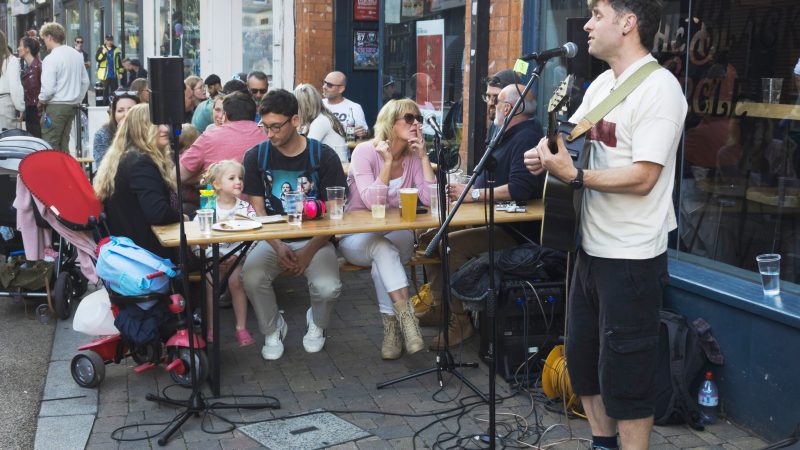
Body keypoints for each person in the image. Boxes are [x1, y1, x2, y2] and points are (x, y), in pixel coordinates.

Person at [523, 1, 687, 448]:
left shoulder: (660, 89)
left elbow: (644, 176)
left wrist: (574, 176)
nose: (588, 25)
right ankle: (602, 444)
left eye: (597, 14)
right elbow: (570, 142)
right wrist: (544, 154)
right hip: (588, 249)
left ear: (628, 23)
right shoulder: (600, 86)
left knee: (628, 371)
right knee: (583, 360)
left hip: (631, 257)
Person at [421, 83, 545, 349]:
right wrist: (469, 188)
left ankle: (461, 321)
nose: (492, 105)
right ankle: (440, 305)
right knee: (429, 238)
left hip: (516, 231)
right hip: (495, 218)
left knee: (447, 244)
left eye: (496, 101)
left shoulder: (526, 137)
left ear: (510, 108)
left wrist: (472, 196)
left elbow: (519, 188)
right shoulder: (508, 133)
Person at [241, 89, 346, 361]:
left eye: (276, 127)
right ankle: (273, 327)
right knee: (250, 277)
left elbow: (335, 214)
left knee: (328, 287)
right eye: (265, 127)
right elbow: (258, 210)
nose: (270, 134)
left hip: (317, 239)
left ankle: (317, 323)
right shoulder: (256, 156)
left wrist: (309, 251)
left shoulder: (323, 156)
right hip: (272, 239)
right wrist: (276, 245)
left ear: (296, 120)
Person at [338, 98, 434, 359]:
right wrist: (388, 163)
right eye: (409, 119)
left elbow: (429, 200)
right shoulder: (365, 152)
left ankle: (392, 330)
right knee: (383, 249)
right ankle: (407, 323)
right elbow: (372, 201)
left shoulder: (414, 157)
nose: (416, 124)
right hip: (357, 235)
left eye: (418, 119)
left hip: (397, 232)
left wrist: (424, 157)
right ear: (391, 123)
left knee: (386, 254)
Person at [93, 104, 181, 260]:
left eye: (165, 123)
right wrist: (182, 216)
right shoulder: (141, 163)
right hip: (146, 258)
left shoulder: (125, 157)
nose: (165, 129)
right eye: (157, 124)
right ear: (141, 128)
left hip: (128, 252)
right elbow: (158, 213)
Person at [195, 160, 256, 347]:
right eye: (232, 178)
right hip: (213, 260)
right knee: (209, 283)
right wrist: (206, 256)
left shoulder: (245, 209)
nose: (238, 181)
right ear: (217, 184)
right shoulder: (208, 208)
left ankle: (241, 327)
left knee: (236, 282)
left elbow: (256, 236)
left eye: (240, 178)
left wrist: (242, 256)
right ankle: (211, 327)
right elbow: (197, 238)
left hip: (238, 259)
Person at [180, 91, 266, 184]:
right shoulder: (268, 134)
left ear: (224, 115)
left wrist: (208, 174)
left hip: (221, 197)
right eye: (216, 110)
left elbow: (178, 176)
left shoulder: (209, 137)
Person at [38, 23, 90, 151]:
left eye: (44, 38)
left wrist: (41, 100)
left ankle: (53, 171)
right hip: (71, 105)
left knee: (50, 144)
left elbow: (48, 89)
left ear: (49, 37)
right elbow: (85, 81)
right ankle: (64, 170)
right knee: (64, 143)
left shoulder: (51, 58)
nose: (44, 42)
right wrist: (78, 99)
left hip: (56, 106)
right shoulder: (77, 55)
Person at [294, 83, 346, 149]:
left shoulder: (321, 121)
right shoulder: (321, 117)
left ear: (304, 106)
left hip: (336, 159)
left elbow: (306, 149)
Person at [93, 92, 139, 165]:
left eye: (131, 110)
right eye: (120, 111)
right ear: (114, 114)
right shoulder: (102, 135)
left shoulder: (148, 132)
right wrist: (121, 134)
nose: (126, 114)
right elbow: (103, 167)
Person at [321, 71, 368, 138]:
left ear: (341, 89)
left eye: (329, 85)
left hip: (342, 147)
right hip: (319, 147)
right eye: (324, 83)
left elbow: (365, 132)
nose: (324, 87)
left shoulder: (354, 107)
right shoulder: (317, 105)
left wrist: (362, 132)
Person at [485, 69, 518, 141]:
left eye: (496, 97)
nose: (490, 103)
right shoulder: (494, 124)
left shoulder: (524, 133)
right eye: (488, 96)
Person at [19, 36, 42, 137]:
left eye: (20, 46)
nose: (18, 48)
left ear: (27, 49)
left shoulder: (39, 66)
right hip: (29, 110)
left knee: (38, 141)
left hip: (37, 111)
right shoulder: (26, 68)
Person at [0, 31, 23, 132]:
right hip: (5, 106)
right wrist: (21, 107)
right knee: (7, 142)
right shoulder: (11, 60)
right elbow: (15, 87)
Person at [95, 35, 123, 103]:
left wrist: (120, 72)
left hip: (114, 73)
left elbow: (119, 62)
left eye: (111, 40)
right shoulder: (101, 48)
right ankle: (105, 104)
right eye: (108, 40)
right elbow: (98, 59)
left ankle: (114, 103)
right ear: (105, 40)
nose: (109, 42)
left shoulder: (116, 50)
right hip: (104, 74)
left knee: (114, 90)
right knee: (105, 91)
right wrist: (103, 53)